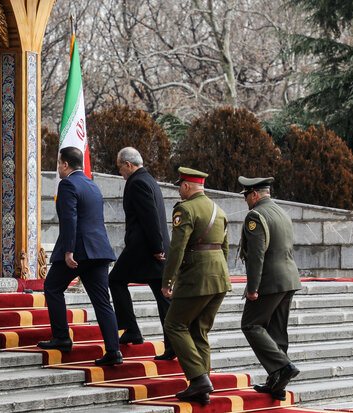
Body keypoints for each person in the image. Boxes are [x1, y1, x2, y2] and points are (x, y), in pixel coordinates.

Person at [37, 147, 122, 366]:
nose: (58, 168)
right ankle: (114, 350)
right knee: (103, 302)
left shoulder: (67, 184)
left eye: (58, 164)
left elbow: (69, 219)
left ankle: (62, 337)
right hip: (99, 251)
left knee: (52, 287)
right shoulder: (92, 185)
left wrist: (68, 250)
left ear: (65, 164)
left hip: (78, 251)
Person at [161, 167, 231, 405]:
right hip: (219, 279)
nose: (179, 190)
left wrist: (168, 281)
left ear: (187, 186)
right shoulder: (219, 210)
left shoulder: (185, 209)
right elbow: (225, 248)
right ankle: (202, 387)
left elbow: (177, 248)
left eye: (180, 185)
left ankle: (199, 378)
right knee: (199, 331)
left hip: (196, 279)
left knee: (174, 325)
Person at [238, 176, 302, 400]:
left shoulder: (255, 216)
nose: (245, 200)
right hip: (289, 278)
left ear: (254, 194)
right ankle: (277, 384)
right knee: (276, 330)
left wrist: (252, 288)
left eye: (246, 195)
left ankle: (283, 367)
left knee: (251, 324)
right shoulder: (281, 212)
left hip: (270, 280)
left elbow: (256, 256)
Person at [109, 147, 174, 360]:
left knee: (115, 280)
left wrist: (157, 249)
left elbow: (150, 218)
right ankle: (172, 345)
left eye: (121, 168)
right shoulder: (149, 180)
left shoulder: (136, 182)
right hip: (153, 250)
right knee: (162, 297)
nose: (121, 173)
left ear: (128, 165)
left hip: (144, 249)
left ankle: (131, 330)